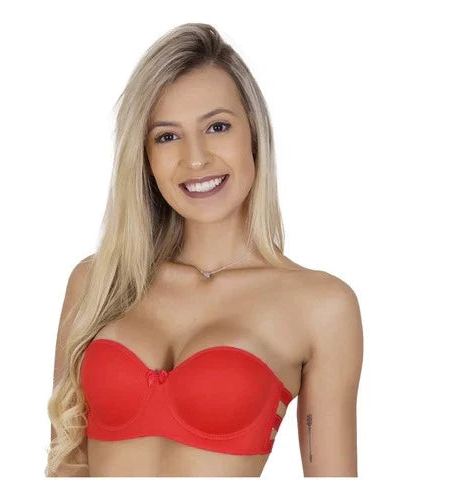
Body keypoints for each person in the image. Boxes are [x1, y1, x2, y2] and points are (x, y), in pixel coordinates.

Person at [45, 22, 363, 477]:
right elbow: (64, 467)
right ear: (145, 157)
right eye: (167, 135)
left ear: (254, 135)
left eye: (217, 126)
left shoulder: (321, 306)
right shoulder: (98, 282)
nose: (195, 158)